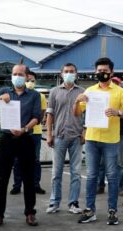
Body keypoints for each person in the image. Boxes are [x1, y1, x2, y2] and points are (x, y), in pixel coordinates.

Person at [74, 57, 123, 225]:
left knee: (112, 176)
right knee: (91, 176)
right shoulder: (90, 91)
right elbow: (77, 113)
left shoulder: (120, 92)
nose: (102, 73)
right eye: (99, 71)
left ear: (112, 72)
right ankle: (90, 210)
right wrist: (77, 102)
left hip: (111, 140)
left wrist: (117, 112)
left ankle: (112, 211)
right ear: (95, 72)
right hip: (92, 139)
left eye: (105, 71)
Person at [0, 64, 41, 227]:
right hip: (7, 139)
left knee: (28, 178)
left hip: (25, 138)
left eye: (20, 74)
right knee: (2, 178)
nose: (17, 76)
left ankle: (30, 213)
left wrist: (24, 129)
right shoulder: (4, 92)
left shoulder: (34, 95)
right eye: (15, 74)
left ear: (26, 76)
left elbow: (37, 117)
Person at [45, 63, 84, 215]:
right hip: (59, 136)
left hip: (76, 136)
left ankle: (73, 203)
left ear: (76, 74)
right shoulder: (54, 92)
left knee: (76, 172)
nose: (69, 74)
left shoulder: (82, 92)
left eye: (72, 71)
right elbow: (50, 114)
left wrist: (84, 132)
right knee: (56, 172)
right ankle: (54, 202)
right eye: (66, 71)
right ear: (61, 74)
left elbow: (86, 114)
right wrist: (49, 134)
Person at [10, 70, 46, 195]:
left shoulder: (39, 96)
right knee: (17, 160)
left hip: (35, 132)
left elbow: (41, 114)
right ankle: (17, 185)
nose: (30, 83)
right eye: (28, 80)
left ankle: (36, 184)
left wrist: (30, 124)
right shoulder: (16, 95)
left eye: (32, 81)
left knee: (35, 160)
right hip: (18, 132)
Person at [97, 76, 123, 196]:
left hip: (119, 132)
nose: (114, 84)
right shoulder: (100, 96)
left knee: (119, 162)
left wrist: (118, 112)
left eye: (117, 83)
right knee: (101, 162)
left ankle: (119, 187)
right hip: (103, 132)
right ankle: (100, 185)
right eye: (112, 82)